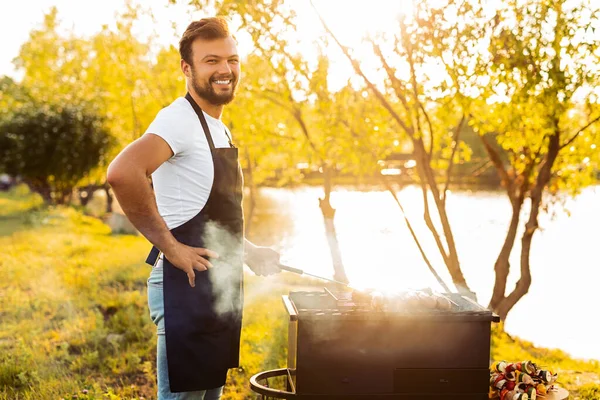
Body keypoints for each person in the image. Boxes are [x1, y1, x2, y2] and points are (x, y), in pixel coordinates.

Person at [106, 17, 281, 399]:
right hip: (182, 286)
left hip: (215, 287)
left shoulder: (218, 126)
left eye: (232, 60)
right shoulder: (178, 120)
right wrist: (171, 249)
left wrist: (249, 251)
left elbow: (211, 216)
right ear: (187, 68)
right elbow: (122, 173)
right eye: (211, 60)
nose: (225, 70)